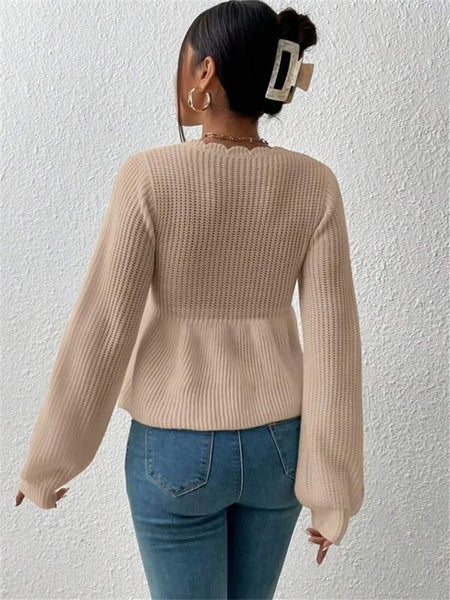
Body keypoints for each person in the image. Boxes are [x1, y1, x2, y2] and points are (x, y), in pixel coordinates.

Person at [16, 1, 364, 598]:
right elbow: (335, 343)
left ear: (205, 71)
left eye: (184, 63)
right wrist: (333, 494)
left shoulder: (150, 176)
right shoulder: (315, 183)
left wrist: (50, 462)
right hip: (280, 448)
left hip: (175, 446)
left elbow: (105, 327)